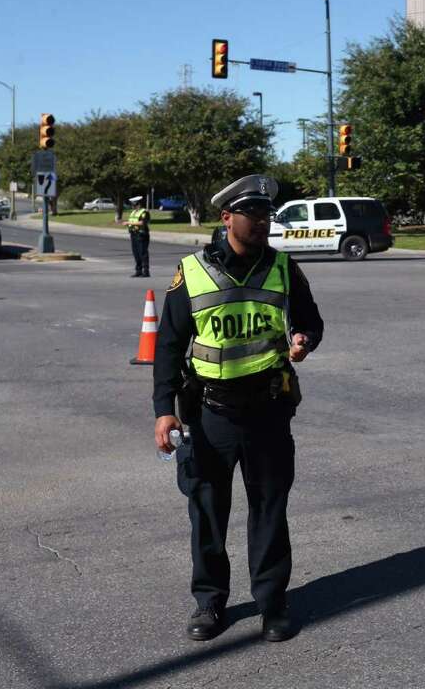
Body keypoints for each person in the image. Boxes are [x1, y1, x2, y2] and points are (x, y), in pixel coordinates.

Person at [153, 174, 324, 643]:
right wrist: (163, 410)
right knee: (207, 511)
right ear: (227, 218)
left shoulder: (284, 268)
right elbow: (168, 346)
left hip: (268, 408)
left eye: (266, 214)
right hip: (211, 413)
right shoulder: (192, 271)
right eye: (253, 215)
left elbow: (310, 319)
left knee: (270, 509)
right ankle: (209, 602)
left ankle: (273, 603)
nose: (262, 221)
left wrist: (304, 338)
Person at [125, 196, 151, 277]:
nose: (133, 206)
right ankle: (138, 270)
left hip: (141, 234)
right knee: (136, 253)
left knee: (142, 253)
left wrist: (129, 223)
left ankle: (146, 271)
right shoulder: (133, 212)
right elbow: (133, 221)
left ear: (138, 204)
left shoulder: (144, 212)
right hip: (133, 234)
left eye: (134, 204)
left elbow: (142, 223)